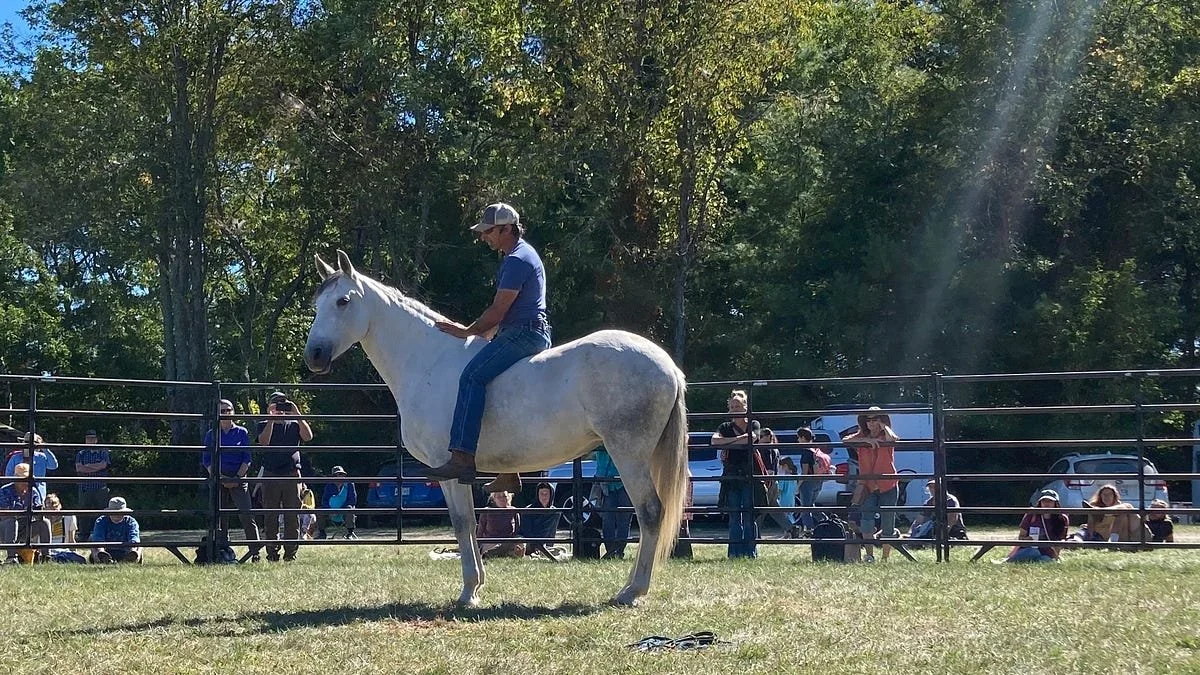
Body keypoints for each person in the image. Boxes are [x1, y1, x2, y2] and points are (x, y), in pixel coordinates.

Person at [426, 202, 552, 495]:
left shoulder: (517, 260)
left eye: (488, 231)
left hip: (523, 334)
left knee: (471, 377)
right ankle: (509, 472)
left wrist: (467, 332)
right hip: (526, 330)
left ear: (507, 229)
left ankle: (462, 457)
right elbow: (506, 312)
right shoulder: (522, 255)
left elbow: (498, 311)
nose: (484, 237)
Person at [256, 391, 314, 562]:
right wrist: (271, 419)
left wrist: (296, 413)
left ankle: (291, 553)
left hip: (291, 474)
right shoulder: (263, 424)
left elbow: (308, 437)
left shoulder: (295, 424)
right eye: (276, 404)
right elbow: (264, 441)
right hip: (271, 474)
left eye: (284, 404)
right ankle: (272, 553)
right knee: (271, 516)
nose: (281, 408)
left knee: (292, 516)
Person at [202, 399, 261, 561]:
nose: (226, 413)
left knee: (247, 515)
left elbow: (247, 458)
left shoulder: (241, 432)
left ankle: (255, 551)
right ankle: (222, 551)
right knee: (220, 517)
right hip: (218, 478)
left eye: (229, 410)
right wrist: (220, 478)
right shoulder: (211, 434)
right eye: (223, 410)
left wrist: (237, 478)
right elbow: (207, 460)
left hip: (239, 477)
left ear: (233, 412)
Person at [843, 406, 899, 563]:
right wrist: (866, 440)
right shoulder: (861, 436)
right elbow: (845, 440)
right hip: (868, 485)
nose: (871, 423)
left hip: (888, 484)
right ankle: (869, 556)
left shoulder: (886, 434)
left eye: (875, 419)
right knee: (866, 520)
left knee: (888, 521)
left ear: (881, 420)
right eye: (868, 420)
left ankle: (885, 558)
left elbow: (894, 439)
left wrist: (885, 427)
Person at [712, 389, 763, 559]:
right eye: (733, 407)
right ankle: (734, 552)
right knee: (734, 515)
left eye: (738, 406)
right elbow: (714, 441)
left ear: (745, 407)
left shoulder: (753, 423)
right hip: (732, 475)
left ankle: (750, 552)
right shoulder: (725, 427)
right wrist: (738, 440)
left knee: (749, 514)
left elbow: (752, 438)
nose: (735, 410)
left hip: (749, 474)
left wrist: (729, 442)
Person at [0, 463, 49, 564]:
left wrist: (40, 510)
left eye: (27, 479)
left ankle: (46, 556)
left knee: (44, 523)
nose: (25, 482)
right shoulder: (4, 490)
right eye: (22, 479)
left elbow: (39, 514)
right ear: (15, 478)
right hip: (4, 528)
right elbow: (4, 515)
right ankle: (11, 557)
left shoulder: (33, 491)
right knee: (11, 521)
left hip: (24, 527)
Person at [1005, 489, 1069, 562]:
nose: (1046, 503)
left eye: (1050, 501)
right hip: (1029, 550)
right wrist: (1027, 540)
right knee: (1033, 552)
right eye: (1044, 501)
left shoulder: (1062, 519)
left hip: (1048, 554)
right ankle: (1007, 561)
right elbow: (1021, 537)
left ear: (1056, 503)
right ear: (1040, 502)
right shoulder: (1031, 514)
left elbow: (1062, 540)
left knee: (1046, 560)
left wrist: (1056, 554)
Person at [592, 447, 633, 560]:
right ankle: (611, 551)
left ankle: (619, 551)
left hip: (624, 480)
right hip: (607, 480)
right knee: (608, 518)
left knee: (623, 518)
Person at [1075, 483, 1145, 544]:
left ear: (1114, 496)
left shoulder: (1120, 506)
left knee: (1126, 506)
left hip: (1106, 535)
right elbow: (1090, 524)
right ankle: (1074, 542)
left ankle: (1102, 512)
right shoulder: (1094, 505)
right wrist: (1090, 535)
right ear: (1100, 496)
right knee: (1080, 535)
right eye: (1104, 494)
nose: (1106, 497)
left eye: (1109, 494)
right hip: (1094, 534)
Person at [74, 429, 110, 541]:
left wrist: (87, 466)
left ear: (96, 440)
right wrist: (95, 466)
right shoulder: (81, 453)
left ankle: (104, 534)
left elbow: (103, 465)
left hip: (100, 486)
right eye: (87, 438)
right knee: (84, 512)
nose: (89, 440)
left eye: (92, 438)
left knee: (102, 511)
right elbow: (79, 468)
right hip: (85, 486)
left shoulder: (102, 452)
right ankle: (83, 536)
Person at [6, 432, 58, 503]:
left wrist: (44, 448)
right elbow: (8, 476)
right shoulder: (15, 458)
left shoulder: (42, 457)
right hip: (17, 495)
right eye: (26, 442)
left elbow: (54, 466)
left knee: (37, 512)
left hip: (39, 494)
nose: (29, 445)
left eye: (32, 443)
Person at [88, 496, 142, 563]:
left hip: (126, 551)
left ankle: (132, 556)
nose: (117, 515)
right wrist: (100, 551)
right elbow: (98, 538)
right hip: (106, 551)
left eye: (120, 512)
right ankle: (102, 556)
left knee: (138, 545)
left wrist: (133, 549)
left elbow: (134, 537)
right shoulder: (101, 521)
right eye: (114, 512)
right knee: (94, 542)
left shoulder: (131, 522)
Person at [476, 490, 525, 559]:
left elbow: (517, 531)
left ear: (508, 497)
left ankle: (505, 553)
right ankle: (490, 554)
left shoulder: (513, 511)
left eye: (504, 496)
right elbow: (480, 532)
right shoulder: (487, 511)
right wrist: (477, 547)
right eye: (499, 496)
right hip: (490, 542)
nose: (502, 499)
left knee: (520, 542)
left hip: (508, 541)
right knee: (496, 547)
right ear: (494, 499)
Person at [794, 428, 824, 534]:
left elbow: (805, 472)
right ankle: (826, 521)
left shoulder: (806, 452)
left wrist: (798, 486)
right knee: (811, 506)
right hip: (817, 482)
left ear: (803, 437)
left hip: (808, 483)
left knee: (805, 509)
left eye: (798, 437)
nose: (798, 440)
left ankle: (810, 531)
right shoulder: (814, 450)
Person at [519, 482, 561, 557]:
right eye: (541, 494)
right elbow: (526, 532)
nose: (544, 497)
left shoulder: (555, 512)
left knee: (560, 550)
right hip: (529, 542)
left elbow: (552, 533)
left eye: (546, 494)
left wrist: (548, 546)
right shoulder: (528, 510)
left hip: (545, 545)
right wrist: (537, 545)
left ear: (551, 495)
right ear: (537, 495)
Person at [317, 465, 357, 540]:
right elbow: (324, 500)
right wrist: (330, 510)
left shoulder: (350, 484)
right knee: (319, 511)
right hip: (331, 511)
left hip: (345, 510)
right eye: (336, 475)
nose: (339, 476)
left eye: (341, 474)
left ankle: (349, 533)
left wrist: (341, 510)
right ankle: (322, 533)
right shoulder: (329, 486)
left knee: (350, 509)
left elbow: (352, 500)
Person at [773, 456, 801, 538]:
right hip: (791, 500)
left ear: (785, 466)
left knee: (784, 517)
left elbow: (780, 490)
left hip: (783, 500)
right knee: (790, 515)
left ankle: (789, 531)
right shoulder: (794, 476)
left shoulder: (783, 477)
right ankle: (790, 531)